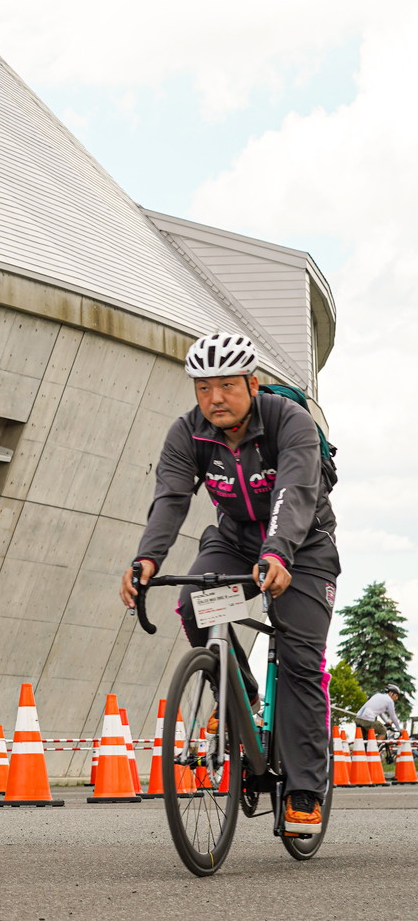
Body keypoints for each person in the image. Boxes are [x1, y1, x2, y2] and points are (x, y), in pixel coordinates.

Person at [120, 331, 339, 833]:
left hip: (303, 550)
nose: (214, 398)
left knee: (301, 661)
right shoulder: (188, 433)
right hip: (234, 541)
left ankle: (304, 790)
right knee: (194, 604)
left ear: (252, 382)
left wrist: (280, 552)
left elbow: (295, 492)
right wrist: (146, 560)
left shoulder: (290, 423)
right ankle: (238, 693)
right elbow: (171, 498)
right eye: (202, 388)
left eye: (225, 385)